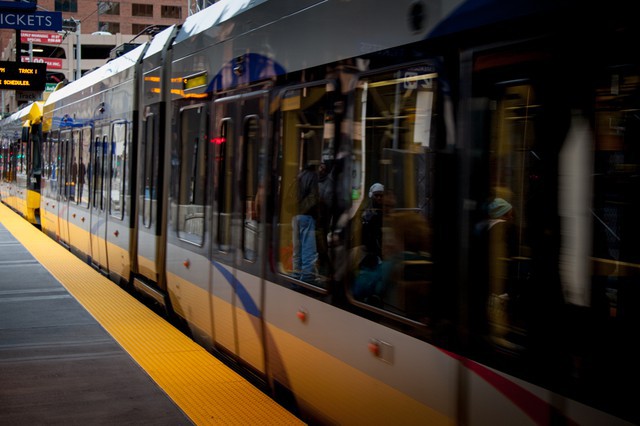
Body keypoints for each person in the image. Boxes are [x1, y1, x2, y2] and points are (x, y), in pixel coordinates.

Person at [291, 161, 320, 282]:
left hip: (295, 217)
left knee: (297, 250)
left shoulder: (300, 176)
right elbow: (313, 197)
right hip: (306, 216)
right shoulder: (313, 176)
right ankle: (307, 279)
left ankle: (296, 277)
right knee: (308, 251)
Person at [360, 183, 384, 269]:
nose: (379, 198)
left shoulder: (385, 212)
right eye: (376, 195)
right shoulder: (366, 213)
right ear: (371, 195)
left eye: (381, 195)